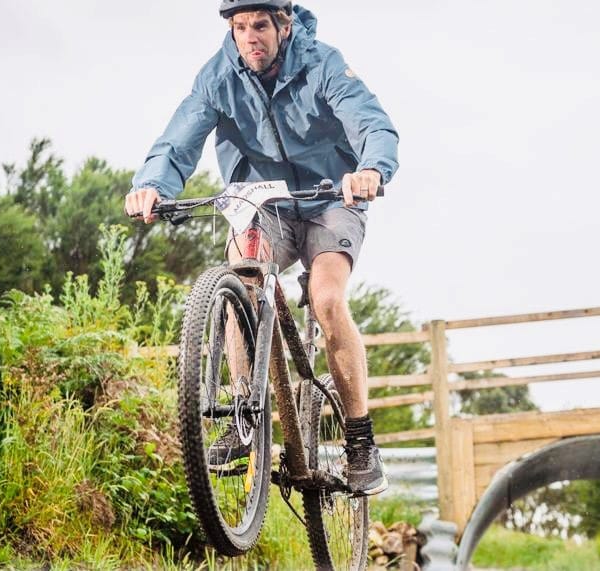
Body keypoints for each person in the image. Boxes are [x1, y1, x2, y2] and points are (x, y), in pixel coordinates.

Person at [123, 0, 397, 496]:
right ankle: (241, 414)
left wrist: (372, 168)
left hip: (331, 197)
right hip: (262, 202)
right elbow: (177, 140)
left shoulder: (323, 64)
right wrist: (152, 185)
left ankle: (360, 442)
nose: (251, 37)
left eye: (261, 26)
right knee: (241, 279)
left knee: (329, 300)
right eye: (241, 26)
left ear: (284, 25)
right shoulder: (217, 77)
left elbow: (372, 123)